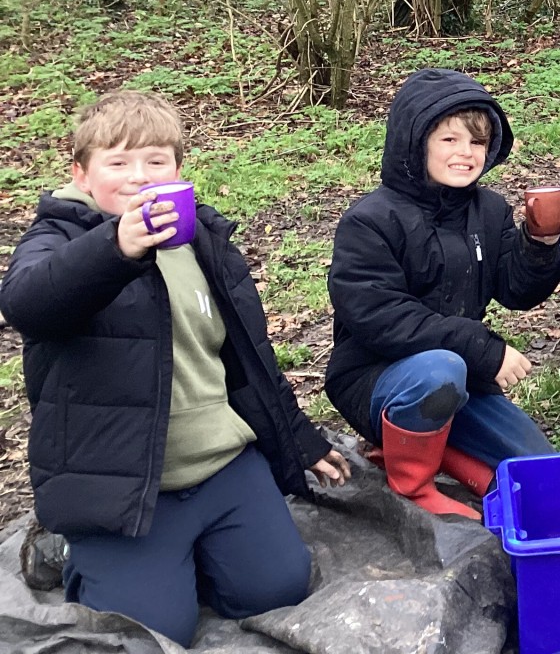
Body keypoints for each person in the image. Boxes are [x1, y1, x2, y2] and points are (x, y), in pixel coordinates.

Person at [1, 91, 350, 648]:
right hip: (126, 486)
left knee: (277, 588)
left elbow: (248, 358)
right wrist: (116, 247)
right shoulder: (59, 238)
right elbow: (27, 304)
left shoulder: (202, 240)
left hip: (221, 465)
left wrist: (299, 438)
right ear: (82, 173)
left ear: (178, 169)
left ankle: (194, 555)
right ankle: (79, 552)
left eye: (156, 160)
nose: (139, 176)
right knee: (154, 632)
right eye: (117, 162)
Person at [326, 69, 560, 520]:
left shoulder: (489, 209)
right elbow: (379, 317)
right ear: (415, 143)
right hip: (376, 378)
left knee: (542, 471)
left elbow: (517, 292)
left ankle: (417, 452)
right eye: (449, 140)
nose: (466, 153)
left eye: (477, 142)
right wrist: (481, 348)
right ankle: (411, 482)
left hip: (460, 381)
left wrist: (541, 245)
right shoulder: (370, 221)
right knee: (441, 369)